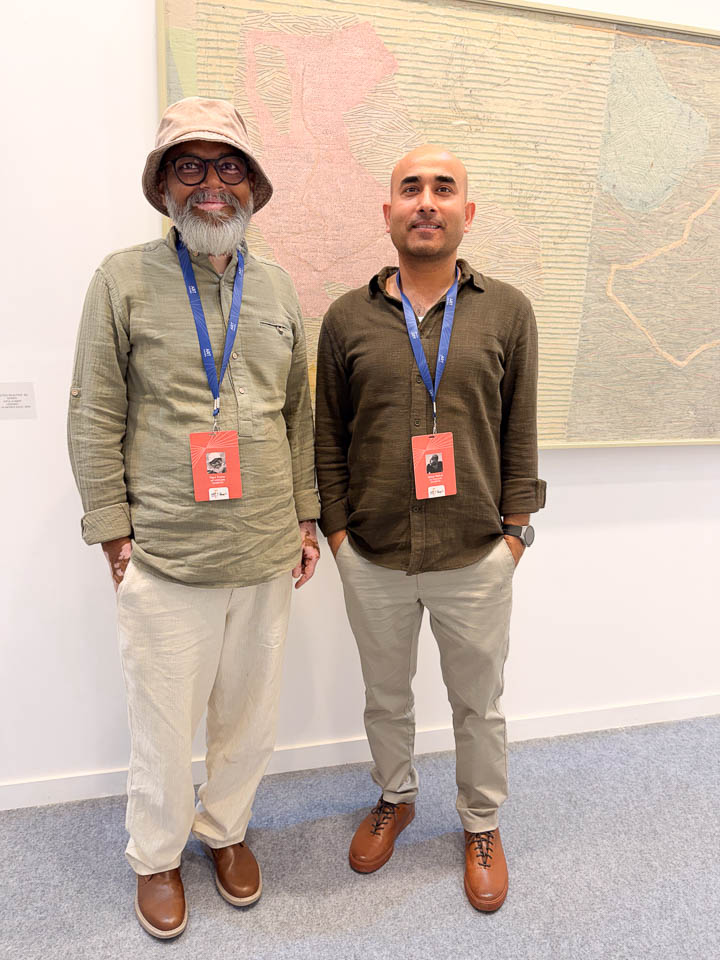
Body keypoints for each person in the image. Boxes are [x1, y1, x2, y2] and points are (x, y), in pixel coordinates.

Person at [68, 97, 320, 939]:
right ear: (163, 186)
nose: (211, 186)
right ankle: (157, 857)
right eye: (190, 167)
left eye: (229, 167)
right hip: (166, 553)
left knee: (249, 718)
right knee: (163, 725)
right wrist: (112, 530)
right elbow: (94, 411)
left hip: (265, 548)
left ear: (253, 184)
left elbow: (299, 415)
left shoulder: (278, 286)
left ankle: (225, 830)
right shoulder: (121, 280)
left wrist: (306, 517)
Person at [315, 144, 545, 912]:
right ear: (388, 212)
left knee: (479, 705)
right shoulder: (345, 318)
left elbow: (520, 430)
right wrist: (338, 535)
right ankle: (396, 795)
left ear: (465, 213)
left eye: (443, 189)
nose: (426, 201)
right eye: (410, 188)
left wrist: (515, 534)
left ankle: (481, 822)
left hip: (475, 552)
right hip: (372, 551)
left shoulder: (508, 312)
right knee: (386, 697)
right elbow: (327, 435)